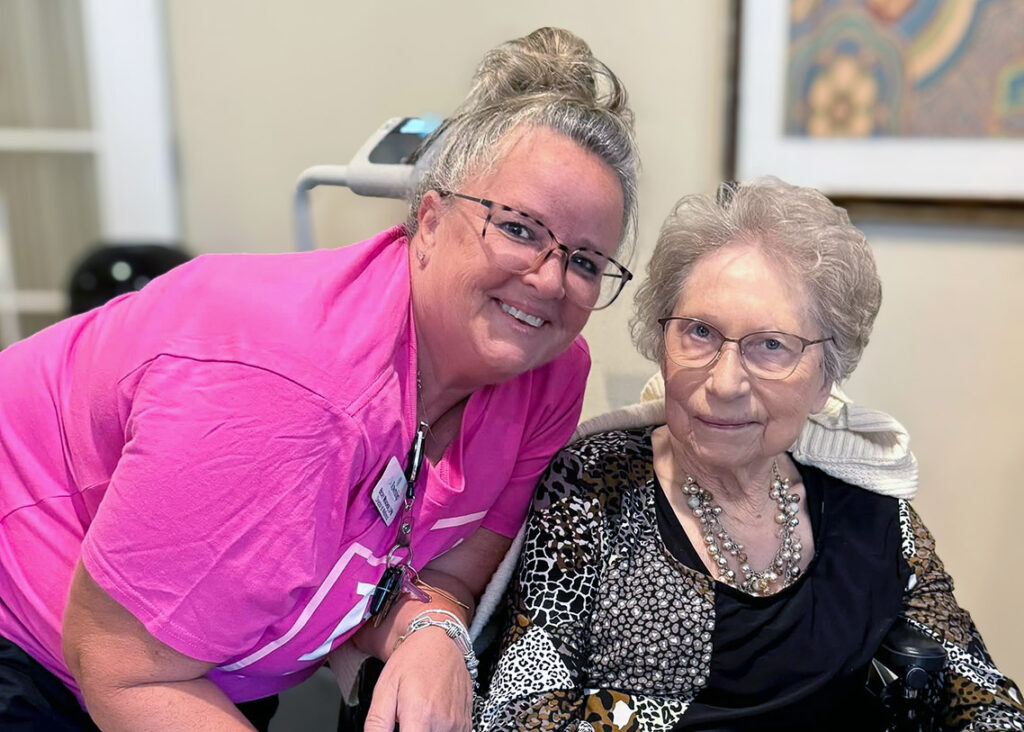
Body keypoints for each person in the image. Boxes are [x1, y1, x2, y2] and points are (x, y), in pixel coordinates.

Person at [0, 27, 639, 731]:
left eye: (585, 260)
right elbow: (123, 661)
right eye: (518, 228)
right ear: (428, 220)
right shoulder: (285, 395)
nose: (550, 279)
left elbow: (449, 571)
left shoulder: (548, 377)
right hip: (42, 642)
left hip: (215, 661)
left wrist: (435, 634)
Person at [477, 179, 1024, 731]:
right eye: (699, 333)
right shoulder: (594, 485)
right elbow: (518, 713)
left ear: (824, 379)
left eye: (770, 346)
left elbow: (983, 695)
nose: (725, 382)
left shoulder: (873, 513)